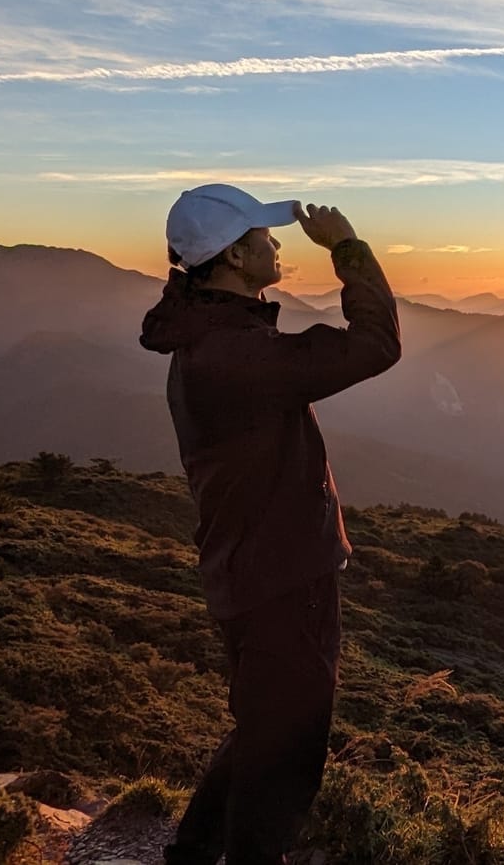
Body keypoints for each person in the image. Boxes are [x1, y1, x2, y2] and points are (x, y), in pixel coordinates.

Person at [138, 182, 401, 865]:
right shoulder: (240, 355)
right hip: (285, 576)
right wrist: (347, 247)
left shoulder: (206, 338)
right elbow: (376, 344)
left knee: (263, 727)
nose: (276, 243)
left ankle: (192, 852)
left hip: (244, 569)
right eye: (262, 235)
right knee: (288, 748)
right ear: (232, 256)